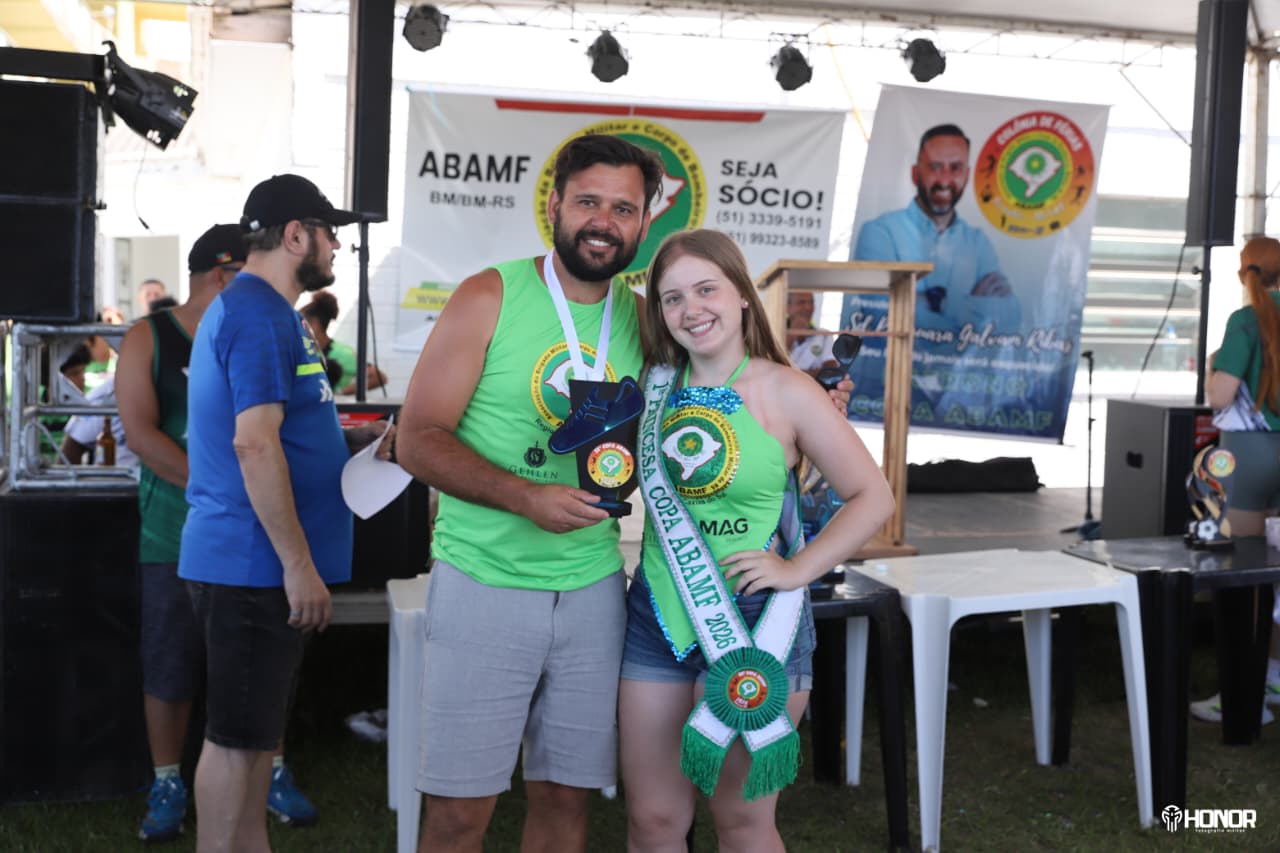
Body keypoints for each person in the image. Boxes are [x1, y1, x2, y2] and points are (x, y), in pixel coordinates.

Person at [396, 133, 662, 853]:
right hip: (485, 579)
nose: (603, 222)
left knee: (566, 801)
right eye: (587, 202)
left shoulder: (645, 319)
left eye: (623, 208)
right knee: (458, 813)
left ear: (644, 221)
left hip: (593, 588)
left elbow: (721, 394)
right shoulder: (491, 294)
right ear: (553, 205)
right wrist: (523, 496)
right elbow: (417, 438)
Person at [620, 229, 895, 851]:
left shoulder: (790, 390)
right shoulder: (652, 387)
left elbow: (873, 497)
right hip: (657, 616)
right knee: (652, 822)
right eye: (671, 298)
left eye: (706, 289)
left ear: (743, 293)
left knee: (742, 824)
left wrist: (798, 569)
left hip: (756, 622)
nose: (691, 309)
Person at [178, 175, 389, 852]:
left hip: (256, 563)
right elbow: (253, 442)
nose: (337, 248)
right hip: (253, 565)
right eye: (330, 234)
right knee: (236, 743)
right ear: (296, 234)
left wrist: (362, 444)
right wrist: (298, 565)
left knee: (253, 741)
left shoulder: (267, 313)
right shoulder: (259, 314)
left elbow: (283, 431)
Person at [116, 224, 320, 841]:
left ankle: (272, 769)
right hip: (176, 532)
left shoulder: (265, 324)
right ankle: (166, 780)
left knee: (258, 676)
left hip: (253, 538)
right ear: (220, 274)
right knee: (171, 665)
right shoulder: (151, 335)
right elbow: (140, 432)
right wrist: (214, 486)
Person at [842, 123, 1021, 420]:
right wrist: (971, 306)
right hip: (882, 392)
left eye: (955, 168)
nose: (945, 180)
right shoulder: (879, 232)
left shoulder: (978, 242)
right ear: (916, 174)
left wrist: (929, 303)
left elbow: (1010, 316)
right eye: (935, 167)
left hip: (956, 396)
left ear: (967, 174)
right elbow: (879, 311)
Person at [1193, 235, 1280, 726]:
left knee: (1245, 573)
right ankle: (1274, 675)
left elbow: (1221, 396)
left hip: (1248, 454)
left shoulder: (1244, 321)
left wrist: (1213, 368)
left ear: (1244, 274)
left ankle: (1242, 696)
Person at [298, 290, 387, 395]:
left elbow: (379, 378)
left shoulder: (343, 353)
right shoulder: (301, 350)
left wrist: (340, 393)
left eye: (301, 324)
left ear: (315, 324)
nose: (298, 329)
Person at [785, 290, 836, 377]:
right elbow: (772, 366)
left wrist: (790, 374)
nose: (808, 307)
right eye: (801, 302)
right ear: (787, 307)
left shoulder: (824, 335)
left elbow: (830, 372)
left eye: (811, 302)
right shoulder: (774, 333)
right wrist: (791, 336)